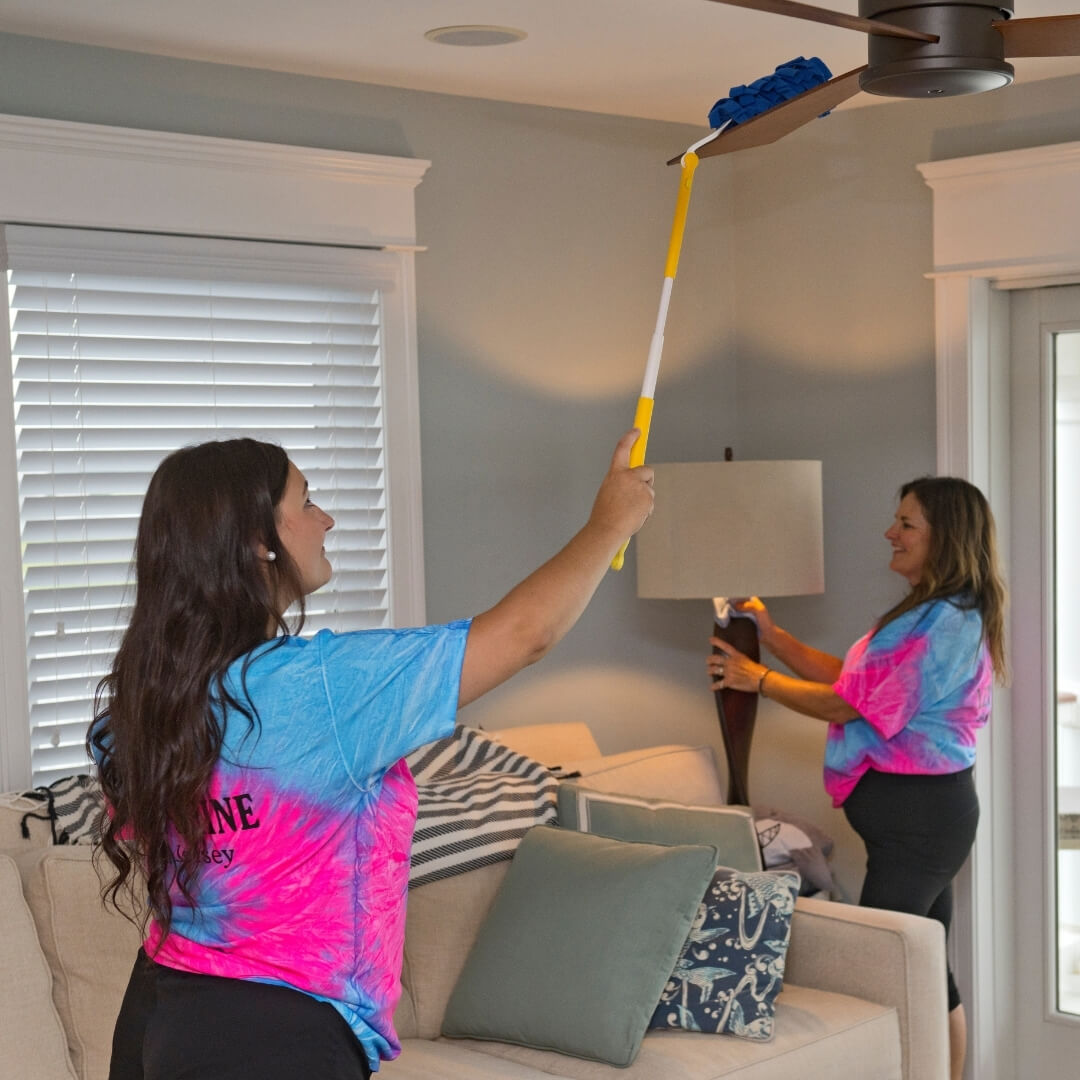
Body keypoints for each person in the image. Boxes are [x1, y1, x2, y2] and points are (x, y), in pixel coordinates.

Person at [89, 429, 654, 1080]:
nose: (324, 519)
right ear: (257, 540)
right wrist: (610, 524)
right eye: (306, 501)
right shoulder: (326, 687)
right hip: (280, 1039)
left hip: (161, 1015)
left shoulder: (142, 705)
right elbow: (525, 634)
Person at [706, 476, 1006, 1080]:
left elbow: (848, 707)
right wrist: (772, 635)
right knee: (926, 967)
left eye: (907, 524)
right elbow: (853, 681)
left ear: (943, 536)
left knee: (880, 970)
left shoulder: (939, 621)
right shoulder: (935, 612)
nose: (890, 533)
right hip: (923, 817)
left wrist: (755, 679)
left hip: (921, 820)